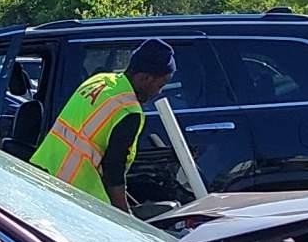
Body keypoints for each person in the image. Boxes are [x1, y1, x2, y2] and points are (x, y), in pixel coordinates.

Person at [28, 39, 192, 212]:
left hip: (43, 171)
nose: (159, 92)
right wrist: (125, 216)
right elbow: (113, 171)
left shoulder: (100, 80)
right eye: (160, 85)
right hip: (75, 193)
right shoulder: (128, 112)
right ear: (144, 78)